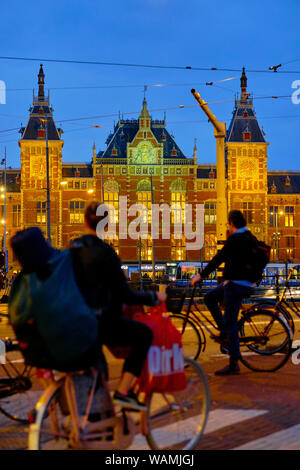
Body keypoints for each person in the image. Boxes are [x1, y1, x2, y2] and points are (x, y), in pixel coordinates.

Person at [71, 201, 167, 410]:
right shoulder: (106, 253)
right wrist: (152, 297)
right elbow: (125, 295)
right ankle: (124, 391)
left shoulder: (72, 249)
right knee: (143, 335)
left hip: (76, 322)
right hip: (102, 321)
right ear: (106, 225)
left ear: (84, 221)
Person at [192, 210, 256, 376]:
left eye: (229, 223)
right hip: (243, 283)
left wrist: (201, 276)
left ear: (232, 223)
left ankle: (234, 363)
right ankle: (224, 330)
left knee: (232, 322)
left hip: (235, 284)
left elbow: (219, 258)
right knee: (209, 297)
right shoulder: (250, 236)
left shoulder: (236, 239)